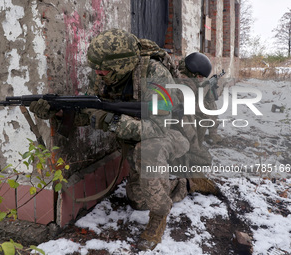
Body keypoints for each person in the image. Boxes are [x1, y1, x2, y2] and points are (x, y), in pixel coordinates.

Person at [30, 29, 219, 251]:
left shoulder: (157, 75)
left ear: (123, 64)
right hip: (138, 135)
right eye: (96, 67)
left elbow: (158, 127)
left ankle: (159, 217)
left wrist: (109, 121)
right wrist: (58, 112)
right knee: (138, 200)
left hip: (171, 132)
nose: (98, 72)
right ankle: (186, 184)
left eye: (104, 69)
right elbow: (93, 112)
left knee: (147, 150)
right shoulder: (102, 75)